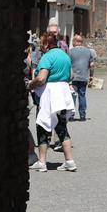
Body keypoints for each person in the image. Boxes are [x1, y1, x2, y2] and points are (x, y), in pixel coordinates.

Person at [27, 31, 77, 171]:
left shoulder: (47, 56)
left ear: (47, 44)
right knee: (61, 127)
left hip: (49, 94)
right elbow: (71, 75)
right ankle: (69, 160)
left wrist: (30, 84)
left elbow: (41, 78)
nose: (40, 46)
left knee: (42, 126)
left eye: (42, 43)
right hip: (63, 93)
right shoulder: (65, 55)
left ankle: (42, 162)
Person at [69, 34, 96, 121]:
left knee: (72, 96)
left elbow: (68, 65)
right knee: (82, 95)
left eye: (73, 41)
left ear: (76, 42)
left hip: (73, 77)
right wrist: (91, 76)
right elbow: (92, 65)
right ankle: (82, 115)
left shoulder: (70, 52)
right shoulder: (88, 51)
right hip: (84, 77)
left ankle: (71, 115)